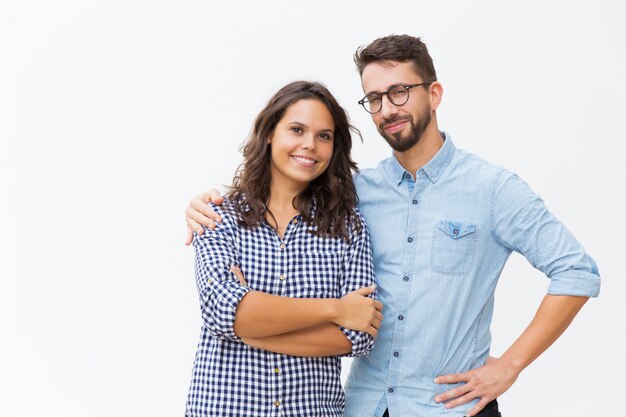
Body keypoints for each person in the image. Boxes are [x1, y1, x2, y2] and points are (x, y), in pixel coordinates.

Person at [184, 36, 600, 417]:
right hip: (364, 406)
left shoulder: (492, 189)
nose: (387, 109)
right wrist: (203, 204)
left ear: (434, 94)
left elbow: (576, 272)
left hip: (451, 407)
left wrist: (510, 366)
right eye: (375, 98)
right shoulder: (354, 196)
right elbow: (281, 192)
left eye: (400, 91)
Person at [185, 81, 384, 417]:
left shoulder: (349, 228)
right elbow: (224, 311)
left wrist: (252, 325)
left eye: (324, 136)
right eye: (297, 129)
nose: (310, 145)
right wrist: (334, 309)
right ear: (269, 134)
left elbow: (357, 333)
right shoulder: (217, 217)